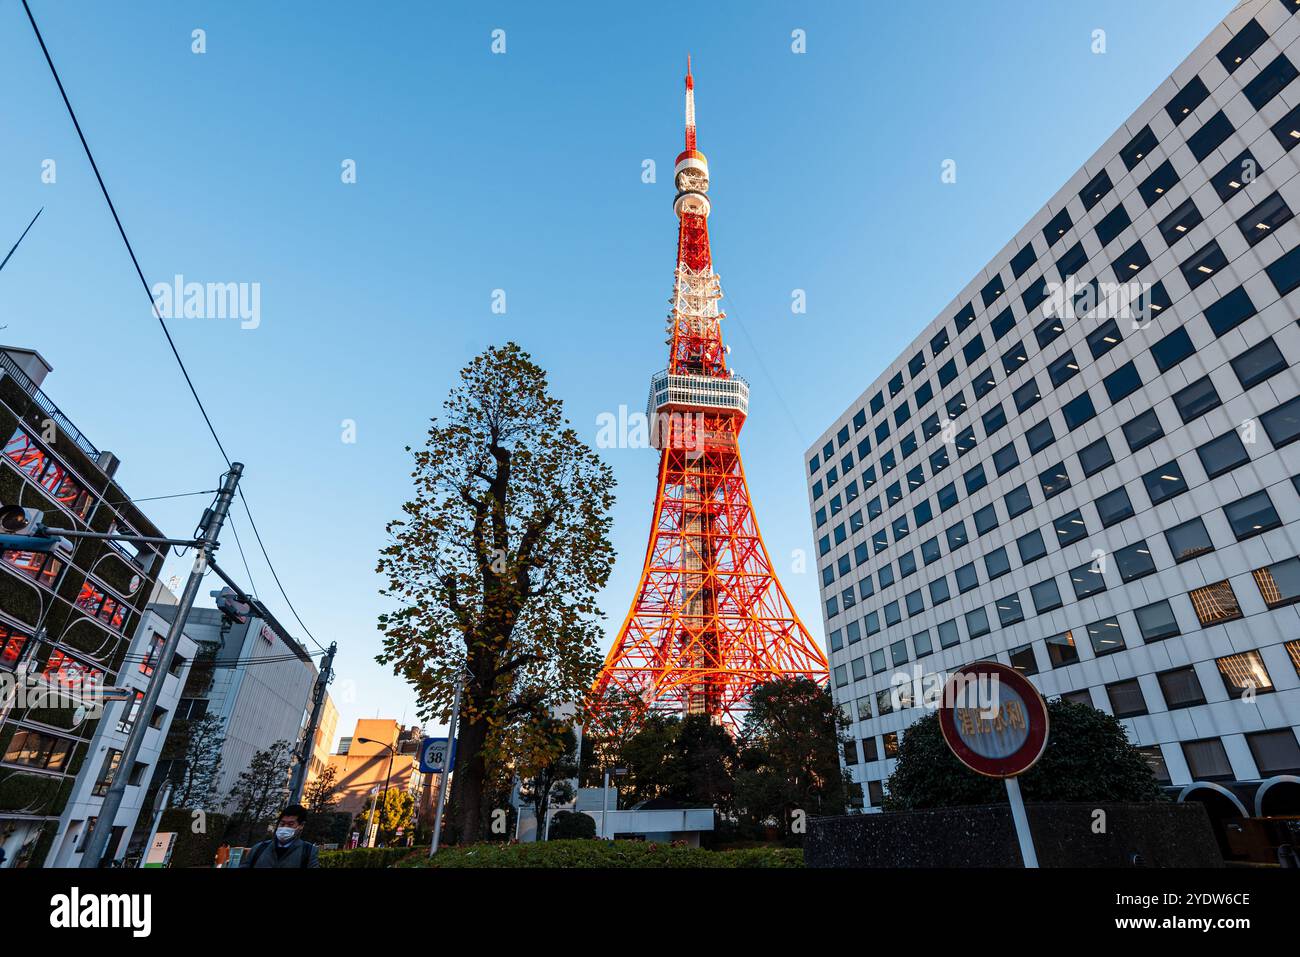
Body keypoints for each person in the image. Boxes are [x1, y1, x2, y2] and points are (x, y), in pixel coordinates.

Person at [240, 804, 319, 869]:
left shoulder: (308, 852)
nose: (285, 827)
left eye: (290, 824)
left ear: (301, 825)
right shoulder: (259, 848)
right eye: (282, 823)